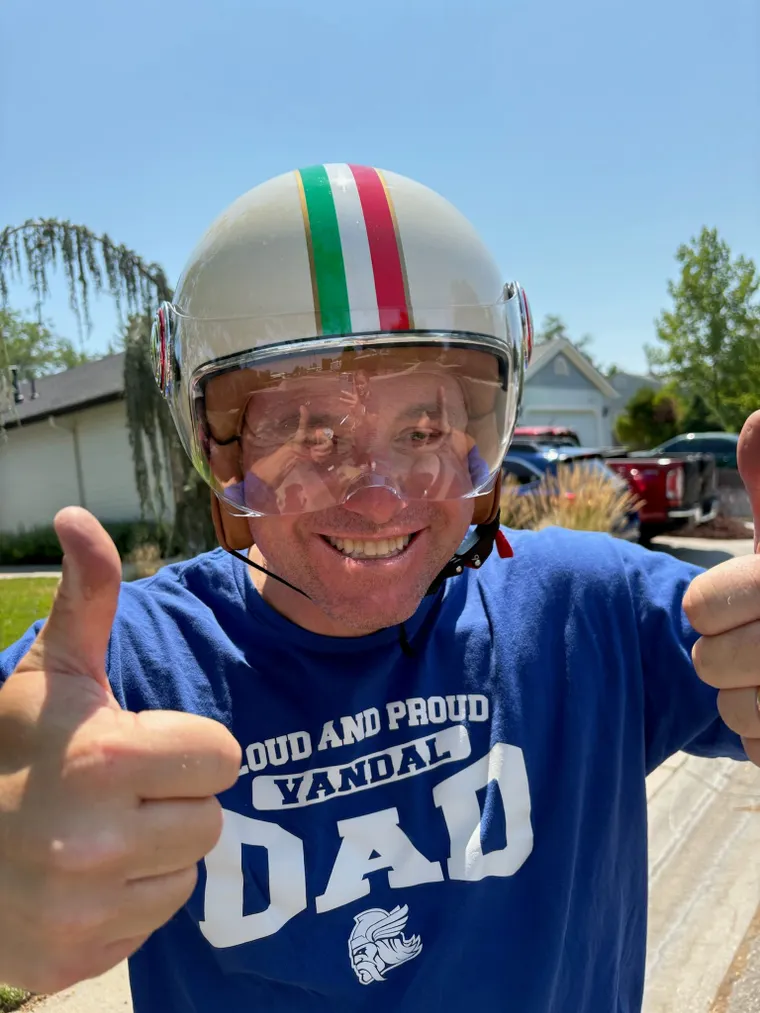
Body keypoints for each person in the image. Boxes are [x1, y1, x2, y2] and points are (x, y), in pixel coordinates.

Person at [0, 162, 758, 1013]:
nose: (378, 498)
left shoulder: (589, 617)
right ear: (223, 452)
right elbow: (25, 753)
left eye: (424, 429)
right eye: (309, 434)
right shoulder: (127, 669)